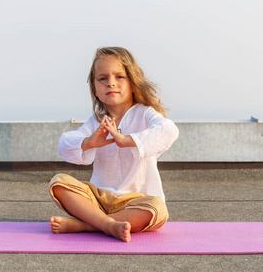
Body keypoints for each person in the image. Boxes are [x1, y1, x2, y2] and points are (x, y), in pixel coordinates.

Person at [49, 46, 179, 242]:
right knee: (58, 182)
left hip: (136, 202)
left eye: (119, 77)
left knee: (157, 208)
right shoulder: (96, 121)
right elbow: (65, 145)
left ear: (133, 81)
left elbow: (169, 130)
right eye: (103, 78)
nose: (111, 83)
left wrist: (128, 140)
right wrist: (88, 142)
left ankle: (87, 225)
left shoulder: (144, 113)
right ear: (94, 87)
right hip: (99, 199)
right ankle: (108, 224)